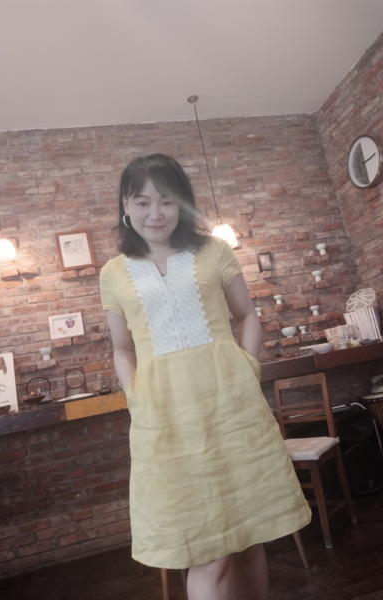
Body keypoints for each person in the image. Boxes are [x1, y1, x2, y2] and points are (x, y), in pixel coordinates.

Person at [99, 154, 311, 600]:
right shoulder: (113, 273)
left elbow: (247, 315)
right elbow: (122, 348)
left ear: (182, 203)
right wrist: (136, 394)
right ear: (125, 206)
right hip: (165, 417)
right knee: (207, 552)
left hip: (231, 406)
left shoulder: (213, 250)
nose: (155, 213)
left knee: (249, 537)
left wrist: (246, 367)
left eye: (167, 201)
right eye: (142, 202)